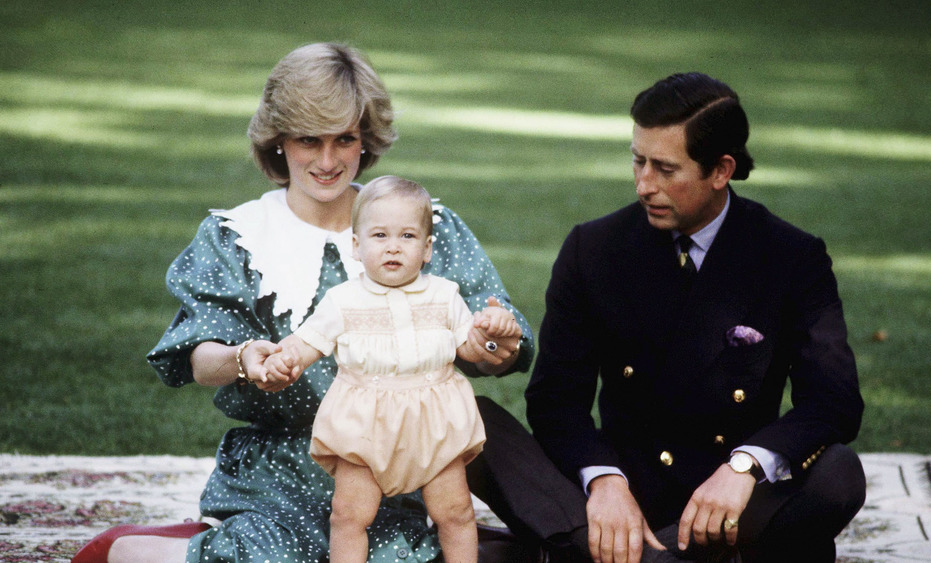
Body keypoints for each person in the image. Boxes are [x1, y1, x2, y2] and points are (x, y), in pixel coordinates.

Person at [71, 42, 532, 563]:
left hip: (399, 473)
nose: (329, 160)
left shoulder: (422, 226)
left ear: (368, 140)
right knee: (273, 554)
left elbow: (498, 340)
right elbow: (197, 357)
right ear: (279, 142)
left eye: (346, 139)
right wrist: (243, 358)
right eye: (309, 139)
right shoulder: (238, 236)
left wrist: (496, 347)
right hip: (278, 475)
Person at [523, 72, 866, 562]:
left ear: (721, 171)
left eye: (665, 169)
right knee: (484, 431)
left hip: (734, 511)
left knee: (840, 473)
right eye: (638, 161)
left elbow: (834, 401)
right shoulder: (593, 250)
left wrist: (745, 467)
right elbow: (555, 400)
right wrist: (604, 481)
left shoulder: (790, 256)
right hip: (627, 502)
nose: (644, 185)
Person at [262, 175, 522, 562]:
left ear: (428, 248)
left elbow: (470, 347)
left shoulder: (444, 295)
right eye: (380, 236)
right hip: (365, 422)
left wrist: (490, 333)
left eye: (407, 237)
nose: (393, 248)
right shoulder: (344, 300)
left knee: (455, 512)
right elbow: (308, 341)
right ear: (356, 244)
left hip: (435, 421)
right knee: (349, 514)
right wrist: (286, 358)